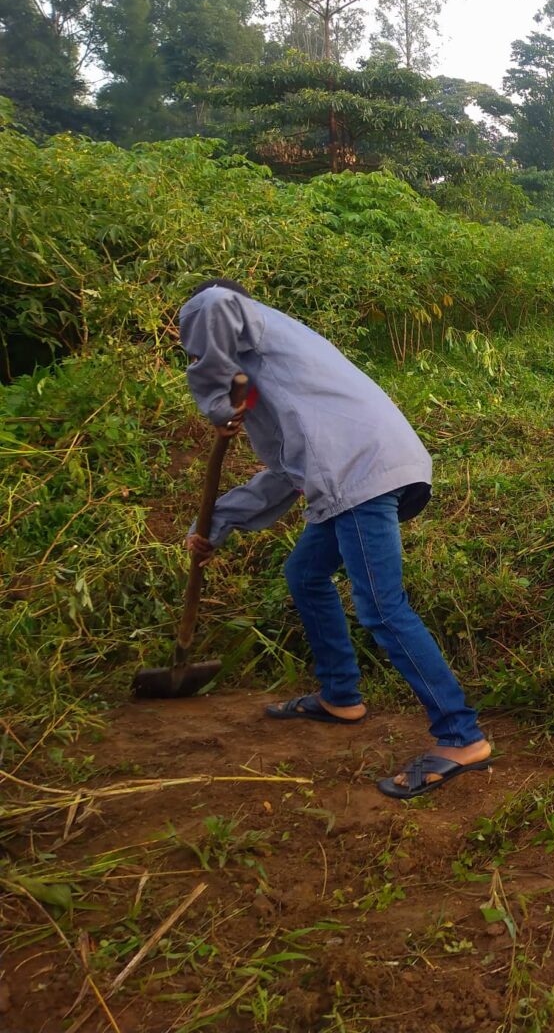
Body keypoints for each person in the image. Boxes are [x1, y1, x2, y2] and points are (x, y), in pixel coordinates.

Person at [178, 279, 493, 800]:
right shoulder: (277, 382)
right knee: (304, 572)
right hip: (355, 470)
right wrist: (212, 526)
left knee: (382, 606)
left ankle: (461, 737)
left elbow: (213, 300)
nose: (198, 350)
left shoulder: (241, 317)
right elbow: (284, 473)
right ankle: (340, 695)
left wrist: (213, 401)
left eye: (194, 345)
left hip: (360, 470)